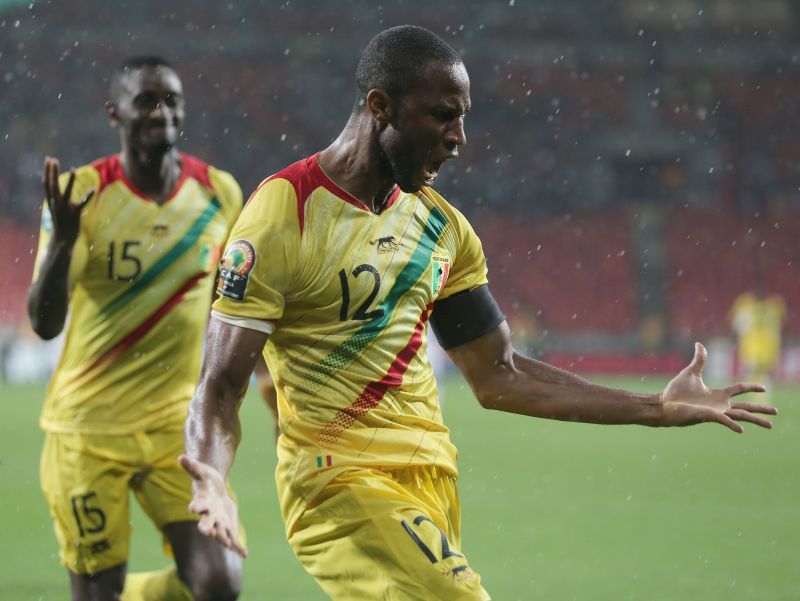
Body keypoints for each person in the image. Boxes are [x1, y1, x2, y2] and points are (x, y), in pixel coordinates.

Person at [180, 26, 777, 600]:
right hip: (339, 481)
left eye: (462, 117)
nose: (459, 136)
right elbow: (219, 387)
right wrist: (211, 476)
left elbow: (500, 375)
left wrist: (656, 408)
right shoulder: (286, 212)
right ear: (380, 106)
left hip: (431, 478)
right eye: (443, 115)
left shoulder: (443, 230)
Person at [28, 56, 245, 601]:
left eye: (171, 100)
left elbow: (237, 306)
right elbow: (45, 324)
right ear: (114, 113)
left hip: (177, 427)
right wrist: (60, 244)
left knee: (221, 582)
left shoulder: (220, 194)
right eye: (146, 100)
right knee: (98, 592)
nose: (161, 112)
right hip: (88, 429)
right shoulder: (81, 193)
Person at [729, 285, 786, 395]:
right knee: (753, 368)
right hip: (751, 344)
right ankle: (752, 389)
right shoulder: (745, 305)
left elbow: (780, 323)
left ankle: (761, 390)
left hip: (767, 345)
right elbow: (736, 323)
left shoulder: (773, 305)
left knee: (765, 369)